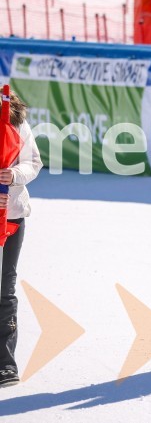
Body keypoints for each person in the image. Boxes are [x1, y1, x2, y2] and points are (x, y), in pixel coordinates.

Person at [0, 91, 43, 387]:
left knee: (5, 287)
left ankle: (5, 363)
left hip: (10, 215)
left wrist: (14, 174)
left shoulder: (15, 119)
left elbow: (33, 162)